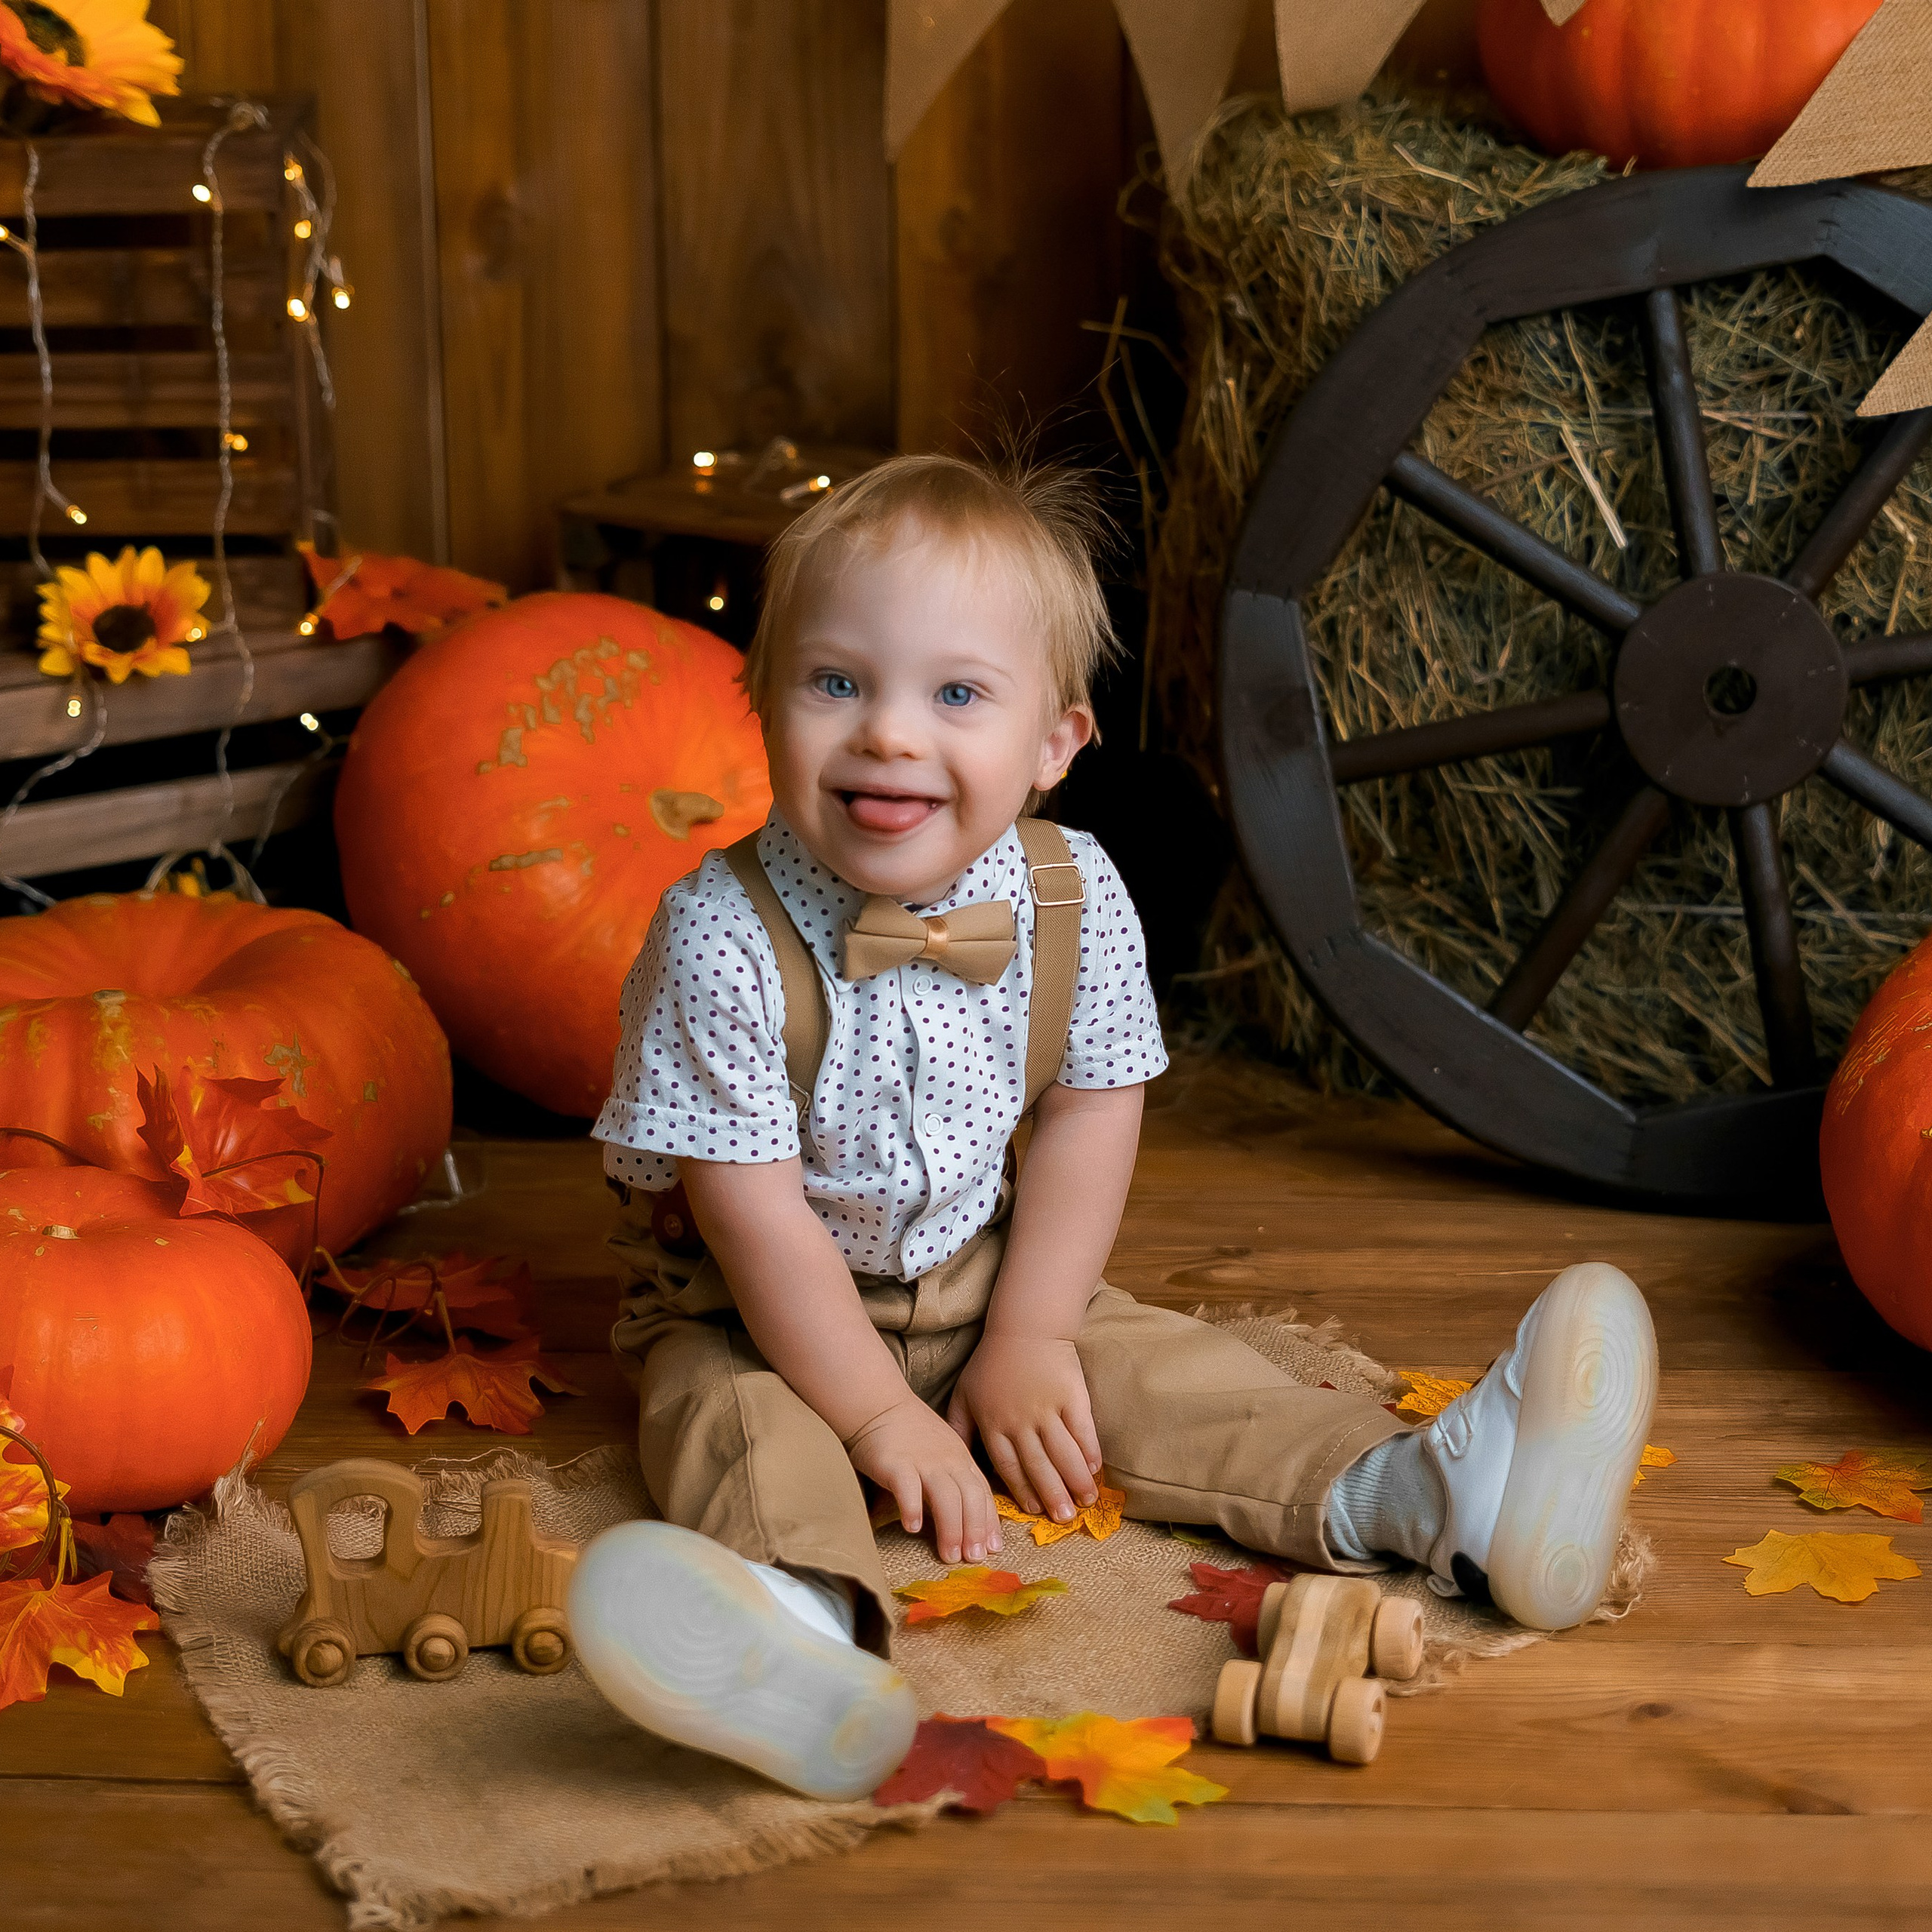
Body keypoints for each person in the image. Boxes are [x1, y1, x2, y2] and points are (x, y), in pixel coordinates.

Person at [568, 454, 1658, 1801]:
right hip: (747, 1304)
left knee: (1151, 1372)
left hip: (978, 1272)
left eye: (957, 694)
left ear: (1055, 745)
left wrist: (1027, 1334)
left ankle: (1433, 1499)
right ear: (763, 704)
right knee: (738, 1435)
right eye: (836, 682)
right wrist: (871, 1420)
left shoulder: (1071, 891)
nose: (890, 735)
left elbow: (1092, 1112)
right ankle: (798, 1634)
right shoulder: (717, 932)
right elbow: (751, 1213)